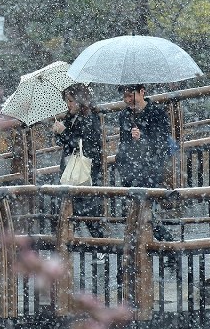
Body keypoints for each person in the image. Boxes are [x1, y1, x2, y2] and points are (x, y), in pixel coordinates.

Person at [115, 84, 174, 242]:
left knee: (144, 209)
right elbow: (124, 142)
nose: (127, 100)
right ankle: (158, 244)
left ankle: (162, 243)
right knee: (139, 210)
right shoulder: (124, 115)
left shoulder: (157, 113)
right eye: (125, 96)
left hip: (151, 168)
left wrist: (143, 138)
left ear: (142, 92)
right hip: (130, 168)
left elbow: (161, 143)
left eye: (130, 95)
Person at [53, 83, 105, 238]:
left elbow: (84, 145)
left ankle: (100, 246)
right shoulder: (71, 117)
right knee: (71, 208)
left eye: (71, 100)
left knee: (86, 210)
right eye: (67, 101)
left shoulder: (89, 118)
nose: (68, 105)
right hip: (72, 167)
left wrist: (64, 133)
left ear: (80, 100)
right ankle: (68, 246)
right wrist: (58, 132)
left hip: (85, 168)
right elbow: (64, 142)